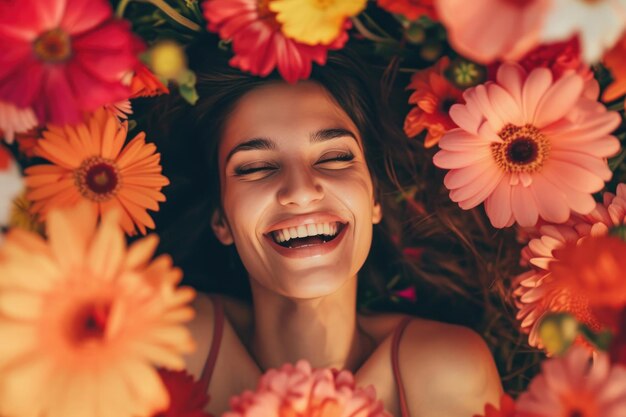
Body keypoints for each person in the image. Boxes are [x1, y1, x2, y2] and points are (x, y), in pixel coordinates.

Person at [147, 43, 502, 417]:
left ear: (374, 199)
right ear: (222, 219)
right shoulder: (172, 338)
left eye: (335, 158)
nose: (301, 191)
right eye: (255, 167)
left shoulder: (444, 368)